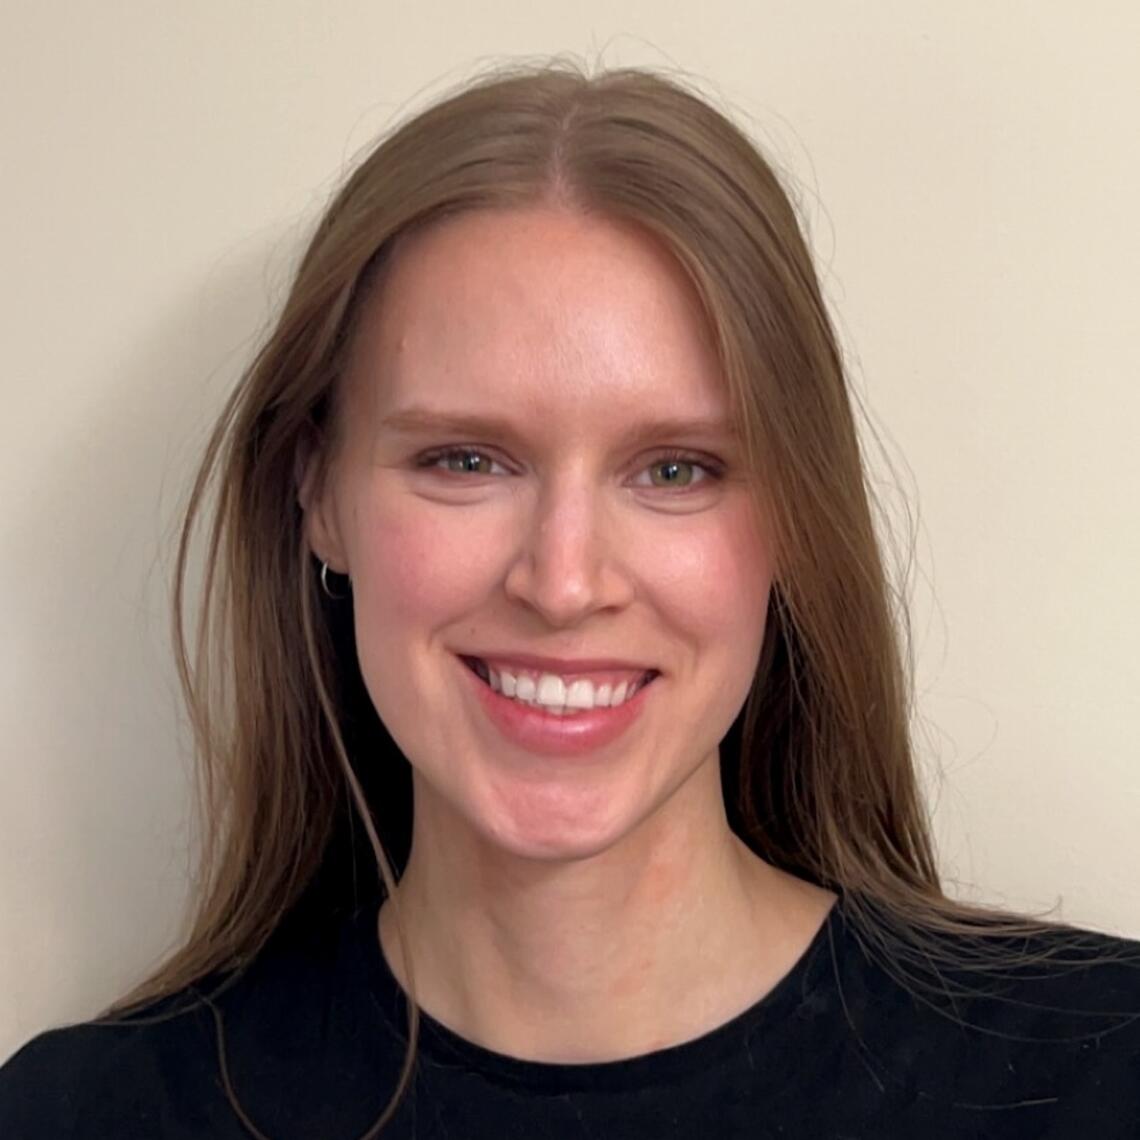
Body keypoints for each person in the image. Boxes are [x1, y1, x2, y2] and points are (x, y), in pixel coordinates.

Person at [1, 61, 1138, 1140]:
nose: (563, 581)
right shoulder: (81, 1115)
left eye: (676, 469)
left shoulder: (1103, 1068)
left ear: (795, 515)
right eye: (465, 460)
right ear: (318, 496)